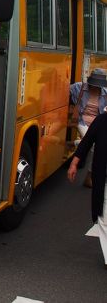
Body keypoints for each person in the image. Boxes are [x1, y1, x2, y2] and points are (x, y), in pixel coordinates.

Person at [67, 111, 107, 269]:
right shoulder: (102, 120)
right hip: (104, 177)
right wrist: (74, 164)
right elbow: (86, 142)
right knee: (104, 217)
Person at [70, 68, 107, 188]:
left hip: (97, 124)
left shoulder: (105, 93)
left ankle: (78, 144)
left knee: (97, 147)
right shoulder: (79, 87)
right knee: (94, 145)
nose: (96, 87)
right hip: (82, 122)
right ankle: (89, 177)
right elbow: (63, 90)